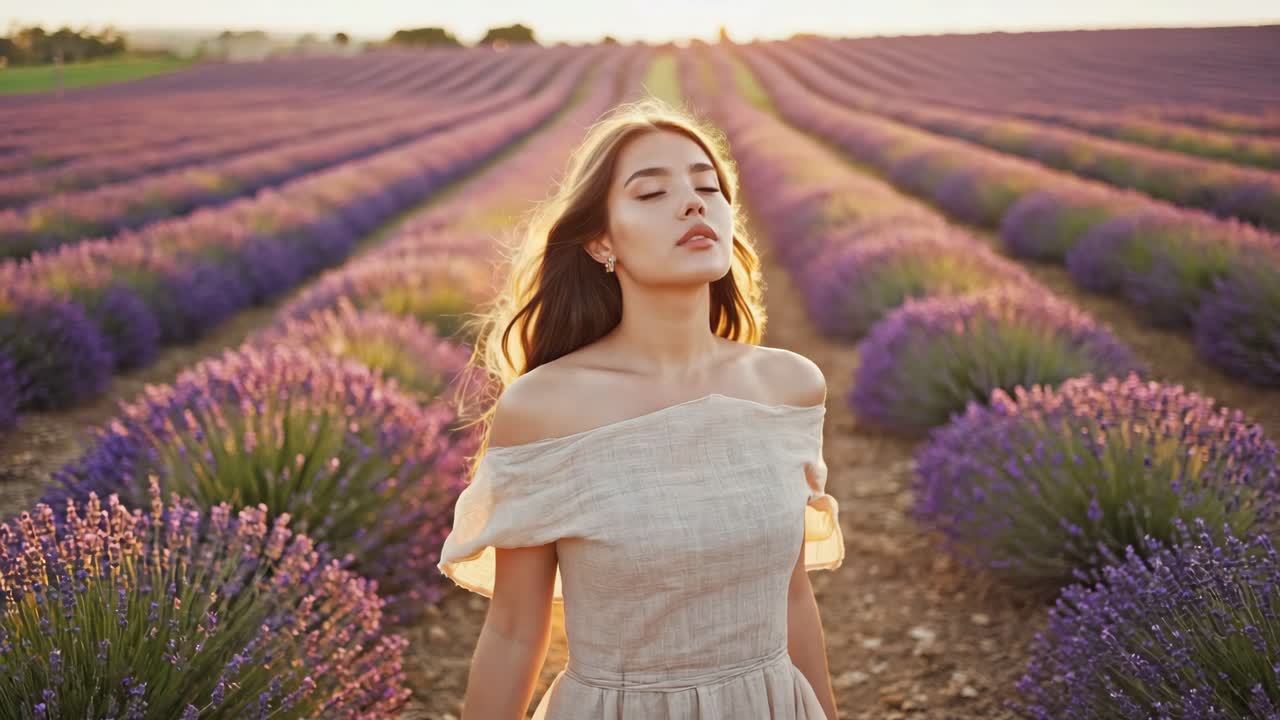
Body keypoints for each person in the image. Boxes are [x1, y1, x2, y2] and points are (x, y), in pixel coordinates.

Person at [437, 97, 845, 720]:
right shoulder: (546, 408)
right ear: (602, 241)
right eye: (651, 194)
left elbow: (791, 598)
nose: (693, 202)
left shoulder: (788, 388)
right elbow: (516, 632)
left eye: (708, 186)